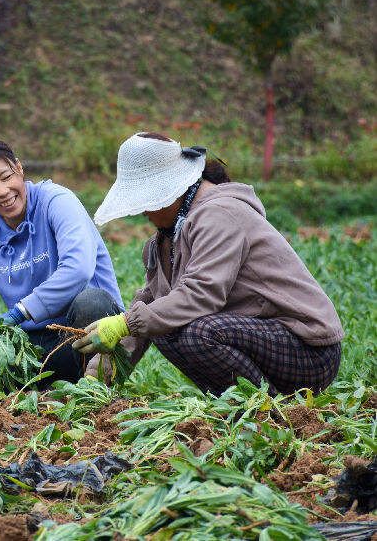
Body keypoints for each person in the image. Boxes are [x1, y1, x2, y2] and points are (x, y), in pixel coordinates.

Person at [73, 132, 344, 395]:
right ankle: (240, 403)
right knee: (159, 323)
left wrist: (126, 323)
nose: (143, 211)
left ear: (172, 190)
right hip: (261, 339)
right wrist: (96, 380)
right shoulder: (165, 240)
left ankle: (264, 410)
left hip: (309, 348)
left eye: (147, 201)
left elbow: (202, 294)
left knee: (196, 333)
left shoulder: (220, 214)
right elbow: (149, 307)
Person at [0, 136, 125, 387]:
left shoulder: (56, 201)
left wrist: (20, 313)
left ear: (19, 168)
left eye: (6, 177)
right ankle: (39, 390)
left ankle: (93, 390)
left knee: (92, 302)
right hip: (28, 350)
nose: (2, 191)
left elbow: (78, 269)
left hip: (81, 338)